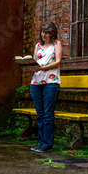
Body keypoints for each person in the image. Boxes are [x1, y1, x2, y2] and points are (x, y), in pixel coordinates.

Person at [30, 21, 63, 152]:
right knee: (40, 114)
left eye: (47, 33)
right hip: (36, 82)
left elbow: (58, 62)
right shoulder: (37, 46)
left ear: (52, 33)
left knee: (48, 113)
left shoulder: (57, 44)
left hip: (51, 82)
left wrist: (42, 68)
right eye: (43, 32)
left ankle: (47, 144)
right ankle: (41, 143)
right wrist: (29, 66)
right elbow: (34, 62)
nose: (44, 35)